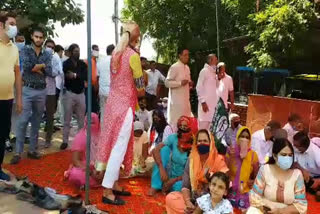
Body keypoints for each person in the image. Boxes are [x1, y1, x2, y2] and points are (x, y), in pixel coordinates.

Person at [94, 21, 145, 206]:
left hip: (112, 105)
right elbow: (140, 88)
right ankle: (107, 190)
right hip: (124, 108)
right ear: (135, 37)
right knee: (118, 148)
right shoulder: (133, 56)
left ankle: (114, 184)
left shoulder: (115, 53)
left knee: (113, 144)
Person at [11, 27, 53, 164]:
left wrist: (39, 67)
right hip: (27, 90)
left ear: (43, 38)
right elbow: (29, 67)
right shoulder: (25, 50)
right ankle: (18, 152)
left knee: (36, 121)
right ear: (32, 36)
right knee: (22, 121)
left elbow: (50, 71)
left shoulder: (47, 53)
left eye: (41, 37)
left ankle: (32, 150)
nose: (39, 39)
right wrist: (42, 66)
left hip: (41, 91)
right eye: (36, 36)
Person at [165, 129, 229, 214]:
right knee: (171, 197)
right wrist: (188, 202)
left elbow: (222, 187)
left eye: (205, 141)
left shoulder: (218, 161)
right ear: (196, 143)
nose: (202, 143)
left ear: (211, 143)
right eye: (199, 141)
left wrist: (200, 208)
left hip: (211, 203)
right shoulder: (191, 160)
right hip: (194, 200)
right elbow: (185, 185)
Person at [248, 138, 307, 214]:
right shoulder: (265, 170)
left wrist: (280, 211)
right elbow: (254, 197)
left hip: (287, 212)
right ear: (275, 156)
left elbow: (301, 205)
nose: (287, 158)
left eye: (290, 155)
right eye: (283, 155)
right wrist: (268, 209)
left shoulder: (297, 174)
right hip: (266, 210)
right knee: (252, 211)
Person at [148, 116, 197, 196]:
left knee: (180, 189)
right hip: (169, 173)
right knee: (164, 149)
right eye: (180, 126)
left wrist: (173, 181)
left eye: (185, 127)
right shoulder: (174, 137)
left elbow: (191, 172)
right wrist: (161, 169)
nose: (182, 129)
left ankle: (168, 187)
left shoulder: (194, 146)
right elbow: (155, 150)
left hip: (182, 178)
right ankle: (155, 185)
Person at [0, 12, 22, 180]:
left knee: (2, 135)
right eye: (11, 23)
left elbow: (17, 74)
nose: (14, 27)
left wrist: (19, 98)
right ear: (2, 25)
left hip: (7, 99)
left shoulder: (14, 48)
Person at [60, 44, 87, 150]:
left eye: (79, 51)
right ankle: (65, 141)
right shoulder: (66, 63)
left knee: (81, 120)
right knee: (67, 119)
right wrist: (77, 76)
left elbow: (85, 76)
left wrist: (75, 75)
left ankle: (80, 142)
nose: (78, 53)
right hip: (69, 94)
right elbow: (67, 75)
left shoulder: (82, 64)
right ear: (71, 52)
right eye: (75, 51)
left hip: (80, 94)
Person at [64, 113, 101, 188]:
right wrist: (90, 172)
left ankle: (97, 180)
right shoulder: (81, 137)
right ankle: (96, 181)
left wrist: (102, 169)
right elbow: (75, 160)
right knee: (75, 174)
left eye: (93, 123)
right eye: (89, 123)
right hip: (86, 166)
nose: (91, 126)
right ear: (85, 123)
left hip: (101, 166)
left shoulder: (102, 135)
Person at [226, 127, 259, 211]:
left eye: (247, 137)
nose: (244, 139)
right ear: (238, 138)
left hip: (245, 191)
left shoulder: (253, 155)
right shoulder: (231, 152)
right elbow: (225, 171)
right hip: (231, 191)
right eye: (242, 136)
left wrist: (252, 180)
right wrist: (231, 157)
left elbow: (257, 175)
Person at [165, 47, 192, 129]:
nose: (187, 57)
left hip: (186, 101)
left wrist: (190, 83)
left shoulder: (187, 68)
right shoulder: (174, 67)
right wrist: (180, 83)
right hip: (176, 103)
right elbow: (167, 83)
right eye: (185, 55)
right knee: (176, 125)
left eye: (188, 55)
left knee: (186, 124)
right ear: (180, 56)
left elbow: (187, 81)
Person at [44, 39, 61, 148]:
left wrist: (44, 68)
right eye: (48, 46)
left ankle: (48, 139)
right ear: (45, 46)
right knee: (35, 116)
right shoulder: (39, 55)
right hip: (38, 90)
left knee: (50, 117)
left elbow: (55, 72)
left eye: (52, 47)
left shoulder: (55, 58)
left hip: (50, 90)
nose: (50, 48)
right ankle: (33, 139)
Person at [293, 131, 320, 199]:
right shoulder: (296, 148)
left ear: (304, 146)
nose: (294, 147)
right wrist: (303, 170)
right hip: (305, 176)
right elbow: (294, 162)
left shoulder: (316, 154)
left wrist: (318, 181)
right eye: (294, 145)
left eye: (296, 146)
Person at [196, 54, 219, 130]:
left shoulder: (214, 73)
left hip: (213, 108)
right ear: (210, 60)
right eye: (215, 59)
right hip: (205, 107)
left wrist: (218, 78)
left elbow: (216, 88)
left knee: (210, 133)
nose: (217, 61)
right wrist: (203, 102)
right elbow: (199, 87)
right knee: (202, 131)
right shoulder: (204, 71)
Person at [98, 44, 114, 124]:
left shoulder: (100, 61)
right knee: (112, 114)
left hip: (102, 91)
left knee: (103, 113)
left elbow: (97, 76)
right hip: (112, 91)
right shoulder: (114, 60)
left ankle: (103, 133)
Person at [84, 44, 99, 114]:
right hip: (90, 86)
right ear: (92, 51)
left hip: (92, 87)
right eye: (96, 50)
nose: (97, 51)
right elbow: (93, 77)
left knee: (92, 106)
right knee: (90, 107)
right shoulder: (90, 61)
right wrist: (95, 86)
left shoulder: (95, 61)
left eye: (98, 50)